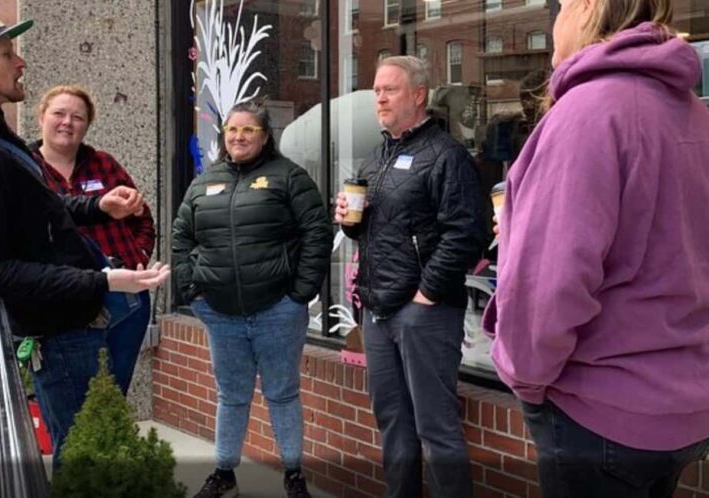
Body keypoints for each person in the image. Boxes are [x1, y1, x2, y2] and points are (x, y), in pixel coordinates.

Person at [0, 7, 170, 467]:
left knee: (95, 450)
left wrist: (96, 206)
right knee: (88, 464)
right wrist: (103, 283)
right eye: (7, 53)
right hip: (65, 332)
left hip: (82, 320)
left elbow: (40, 210)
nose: (20, 62)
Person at [481, 0, 709, 495]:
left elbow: (548, 284)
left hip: (599, 409)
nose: (556, 20)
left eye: (560, 6)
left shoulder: (589, 113)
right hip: (681, 402)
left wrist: (525, 378)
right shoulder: (693, 115)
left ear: (588, 6)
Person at [334, 55, 487, 498]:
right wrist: (348, 221)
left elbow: (467, 234)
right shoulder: (377, 155)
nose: (379, 97)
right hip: (379, 311)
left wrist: (425, 295)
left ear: (418, 95)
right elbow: (371, 229)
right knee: (393, 424)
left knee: (437, 430)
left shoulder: (446, 155)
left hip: (424, 313)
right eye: (376, 90)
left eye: (390, 89)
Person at [173, 100, 332, 498]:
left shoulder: (288, 177)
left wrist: (300, 294)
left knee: (282, 393)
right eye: (232, 130)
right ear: (224, 136)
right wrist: (192, 291)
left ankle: (294, 475)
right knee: (231, 395)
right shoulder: (203, 182)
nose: (239, 137)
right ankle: (224, 472)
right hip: (220, 313)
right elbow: (180, 239)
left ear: (265, 136)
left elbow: (317, 232)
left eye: (249, 130)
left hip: (277, 310)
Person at [31, 84, 155, 396]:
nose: (67, 123)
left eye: (78, 117)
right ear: (41, 117)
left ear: (87, 125)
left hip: (126, 295)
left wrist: (138, 252)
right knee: (76, 395)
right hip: (67, 297)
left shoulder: (104, 164)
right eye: (59, 113)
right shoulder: (26, 169)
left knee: (114, 389)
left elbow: (142, 215)